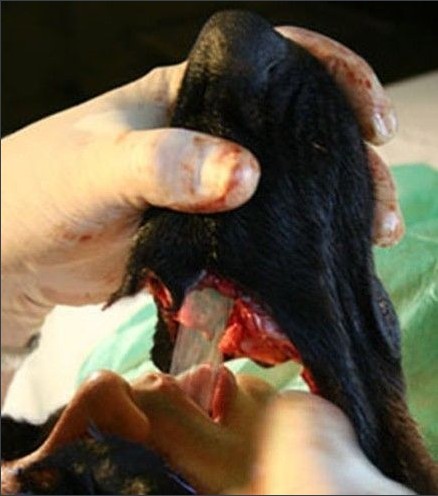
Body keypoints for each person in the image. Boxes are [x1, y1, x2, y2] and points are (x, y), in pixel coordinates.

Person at [1, 26, 410, 494]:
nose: (103, 388)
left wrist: (11, 296)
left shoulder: (133, 355)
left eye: (22, 439)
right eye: (81, 481)